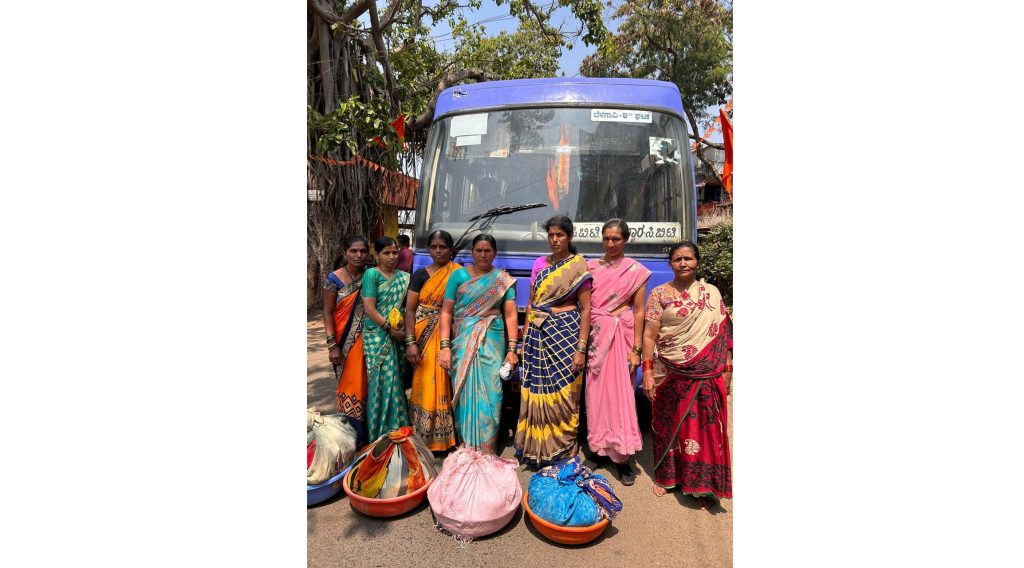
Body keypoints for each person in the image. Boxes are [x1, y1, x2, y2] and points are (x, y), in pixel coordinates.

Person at [641, 241, 733, 507]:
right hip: (669, 371)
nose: (683, 263)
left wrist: (727, 369)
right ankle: (666, 476)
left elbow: (723, 333)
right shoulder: (659, 294)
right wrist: (647, 371)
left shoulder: (712, 293)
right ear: (671, 264)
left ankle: (704, 483)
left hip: (707, 371)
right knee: (667, 426)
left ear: (697, 262)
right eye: (677, 259)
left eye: (688, 258)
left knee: (705, 427)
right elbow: (649, 335)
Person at [514, 215, 593, 466]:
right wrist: (524, 339)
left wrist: (581, 349)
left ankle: (563, 446)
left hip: (565, 336)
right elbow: (531, 303)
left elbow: (586, 309)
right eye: (551, 235)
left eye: (559, 235)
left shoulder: (579, 266)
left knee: (566, 394)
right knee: (536, 390)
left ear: (569, 237)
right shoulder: (539, 263)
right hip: (537, 335)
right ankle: (536, 446)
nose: (555, 239)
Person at [437, 234, 518, 453]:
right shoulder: (458, 275)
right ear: (472, 252)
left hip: (493, 337)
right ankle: (468, 447)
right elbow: (446, 312)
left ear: (495, 253)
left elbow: (510, 315)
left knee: (493, 392)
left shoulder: (502, 280)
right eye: (478, 250)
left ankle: (487, 448)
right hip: (463, 339)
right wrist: (444, 345)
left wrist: (512, 350)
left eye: (487, 251)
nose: (482, 255)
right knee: (464, 391)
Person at [584, 219, 650, 485]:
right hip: (596, 337)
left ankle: (622, 457)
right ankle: (599, 449)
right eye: (606, 238)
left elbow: (639, 310)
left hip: (620, 338)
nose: (610, 244)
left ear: (626, 240)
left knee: (621, 396)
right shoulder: (589, 267)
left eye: (616, 239)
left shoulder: (636, 270)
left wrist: (636, 350)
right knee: (595, 394)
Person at [403, 230, 460, 451]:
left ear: (451, 250)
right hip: (424, 335)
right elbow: (409, 310)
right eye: (434, 247)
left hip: (450, 334)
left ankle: (447, 437)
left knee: (449, 383)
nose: (438, 251)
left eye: (442, 247)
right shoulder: (420, 275)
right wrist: (410, 342)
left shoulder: (458, 273)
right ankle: (424, 437)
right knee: (426, 381)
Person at [361, 236, 411, 441]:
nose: (391, 256)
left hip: (397, 336)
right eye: (386, 253)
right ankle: (379, 433)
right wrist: (388, 328)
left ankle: (398, 428)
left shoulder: (404, 277)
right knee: (380, 383)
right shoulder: (372, 275)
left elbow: (407, 308)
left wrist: (401, 330)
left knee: (397, 382)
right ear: (377, 255)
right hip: (377, 335)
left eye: (395, 252)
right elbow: (369, 308)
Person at [323, 235, 371, 446]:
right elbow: (328, 312)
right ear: (345, 253)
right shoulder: (333, 279)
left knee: (369, 386)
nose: (359, 255)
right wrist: (332, 345)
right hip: (344, 344)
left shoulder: (372, 275)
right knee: (350, 386)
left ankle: (371, 433)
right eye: (354, 251)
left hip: (371, 341)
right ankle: (352, 436)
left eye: (362, 251)